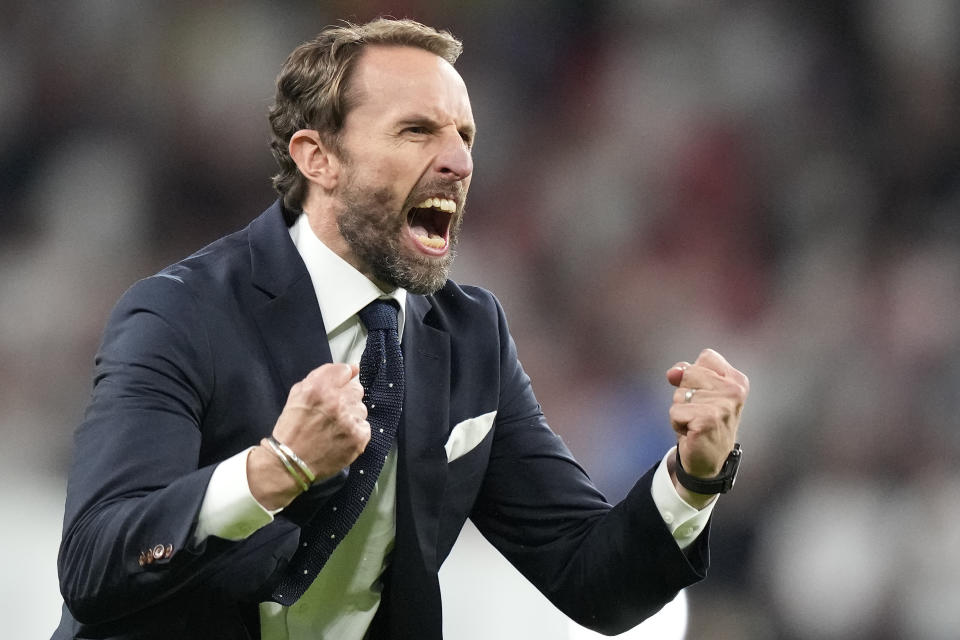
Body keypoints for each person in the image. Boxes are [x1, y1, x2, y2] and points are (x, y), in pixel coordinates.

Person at [53, 17, 749, 640]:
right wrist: (273, 471)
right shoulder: (182, 313)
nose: (460, 161)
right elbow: (96, 562)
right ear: (316, 157)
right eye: (417, 130)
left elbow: (592, 579)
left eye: (465, 136)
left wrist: (692, 478)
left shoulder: (471, 337)